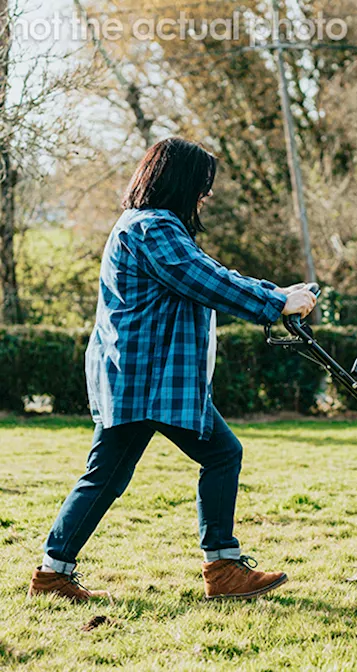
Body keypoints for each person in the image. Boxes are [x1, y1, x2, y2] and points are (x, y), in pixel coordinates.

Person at [26, 138, 318, 603]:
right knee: (221, 455)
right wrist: (276, 301)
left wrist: (275, 292)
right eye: (203, 185)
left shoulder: (147, 226)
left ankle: (52, 574)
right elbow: (205, 280)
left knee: (106, 475)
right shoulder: (153, 229)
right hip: (149, 380)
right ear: (180, 182)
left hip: (138, 377)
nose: (206, 195)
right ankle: (221, 567)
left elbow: (207, 271)